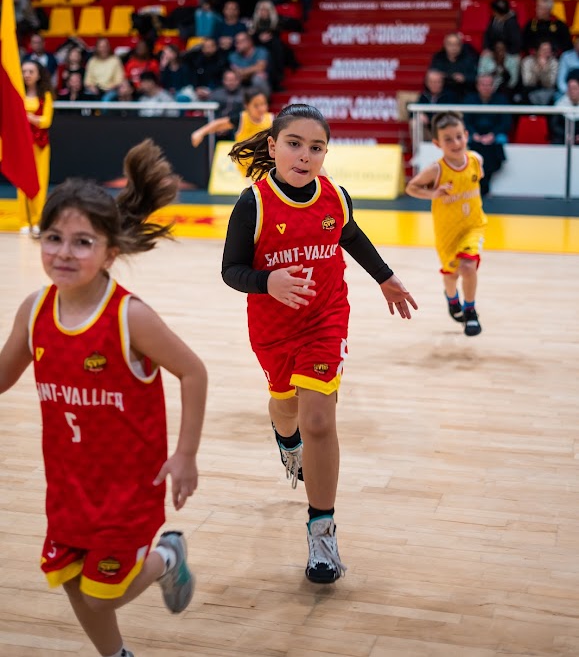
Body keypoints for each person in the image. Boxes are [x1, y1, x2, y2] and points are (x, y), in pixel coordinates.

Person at [0, 139, 208, 657]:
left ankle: (167, 556)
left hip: (127, 487)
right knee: (71, 580)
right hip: (67, 482)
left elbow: (193, 371)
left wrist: (185, 454)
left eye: (82, 242)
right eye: (53, 238)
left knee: (102, 594)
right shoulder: (34, 310)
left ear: (110, 252)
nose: (63, 253)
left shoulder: (129, 316)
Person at [220, 103, 417, 583]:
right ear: (273, 147)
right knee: (286, 407)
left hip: (326, 320)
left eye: (316, 147)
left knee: (319, 420)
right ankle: (286, 440)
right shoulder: (253, 204)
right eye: (294, 144)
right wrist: (267, 282)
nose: (305, 155)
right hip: (273, 329)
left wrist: (385, 277)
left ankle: (321, 532)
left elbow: (352, 235)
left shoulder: (335, 196)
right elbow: (230, 270)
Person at [406, 111, 484, 336]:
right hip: (447, 232)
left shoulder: (476, 160)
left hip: (473, 226)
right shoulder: (436, 169)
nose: (455, 143)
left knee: (468, 267)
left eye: (458, 136)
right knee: (451, 275)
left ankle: (470, 311)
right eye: (448, 139)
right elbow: (411, 187)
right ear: (437, 143)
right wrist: (433, 194)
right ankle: (452, 299)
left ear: (466, 135)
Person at [191, 88, 273, 174]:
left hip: (265, 167)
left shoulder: (271, 119)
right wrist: (200, 132)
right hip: (247, 169)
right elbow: (218, 124)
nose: (261, 108)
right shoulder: (241, 119)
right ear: (247, 105)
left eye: (263, 104)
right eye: (256, 105)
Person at [17, 61, 53, 237]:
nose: (27, 75)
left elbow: (46, 121)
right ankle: (24, 221)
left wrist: (28, 117)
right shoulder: (17, 94)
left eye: (31, 71)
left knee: (40, 182)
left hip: (40, 145)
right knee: (22, 182)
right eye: (24, 71)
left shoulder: (45, 96)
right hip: (21, 144)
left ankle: (38, 220)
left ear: (39, 75)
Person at [463, 74, 511, 196]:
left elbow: (506, 123)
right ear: (478, 86)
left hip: (494, 134)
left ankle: (483, 181)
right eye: (483, 84)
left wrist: (492, 135)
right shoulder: (469, 99)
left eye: (489, 85)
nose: (486, 87)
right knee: (471, 143)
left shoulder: (501, 100)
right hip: (475, 135)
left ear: (493, 86)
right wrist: (474, 134)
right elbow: (465, 121)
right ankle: (482, 182)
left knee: (498, 141)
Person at [429, 33, 479, 99]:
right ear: (445, 45)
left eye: (456, 44)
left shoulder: (470, 57)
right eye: (450, 44)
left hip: (464, 92)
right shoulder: (439, 57)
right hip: (443, 92)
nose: (453, 48)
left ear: (461, 46)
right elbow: (432, 74)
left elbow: (477, 77)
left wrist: (464, 78)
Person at [415, 68, 456, 139]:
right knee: (415, 122)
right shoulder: (424, 95)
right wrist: (420, 115)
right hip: (429, 130)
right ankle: (419, 146)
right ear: (427, 83)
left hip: (444, 130)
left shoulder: (449, 96)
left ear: (442, 82)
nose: (434, 84)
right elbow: (413, 110)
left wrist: (430, 119)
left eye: (437, 82)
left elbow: (449, 116)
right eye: (431, 82)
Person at [520, 41, 558, 105]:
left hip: (548, 91)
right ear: (536, 51)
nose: (546, 52)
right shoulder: (527, 61)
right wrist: (537, 70)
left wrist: (544, 70)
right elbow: (527, 82)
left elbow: (551, 83)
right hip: (530, 90)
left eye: (548, 50)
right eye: (544, 50)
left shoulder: (554, 62)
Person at [552, 71, 579, 143]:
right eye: (569, 88)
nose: (572, 91)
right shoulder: (559, 105)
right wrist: (568, 136)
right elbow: (555, 127)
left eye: (575, 88)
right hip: (562, 140)